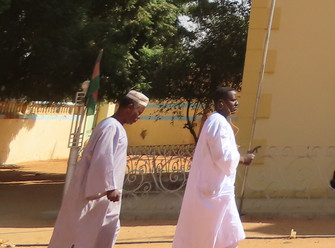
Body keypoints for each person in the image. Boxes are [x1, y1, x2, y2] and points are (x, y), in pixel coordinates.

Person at [48, 90, 149, 248]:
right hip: (96, 194)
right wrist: (109, 187)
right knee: (80, 234)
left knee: (103, 232)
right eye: (139, 112)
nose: (139, 116)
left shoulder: (115, 127)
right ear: (129, 107)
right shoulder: (110, 127)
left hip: (104, 198)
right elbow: (103, 157)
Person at [171, 87, 256, 248]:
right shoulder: (217, 122)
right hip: (213, 194)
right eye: (232, 100)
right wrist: (243, 158)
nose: (236, 103)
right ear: (221, 103)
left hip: (220, 192)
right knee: (213, 238)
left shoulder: (219, 121)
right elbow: (222, 155)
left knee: (228, 237)